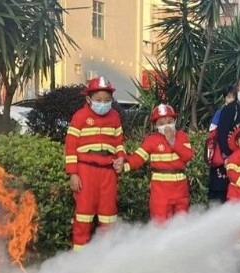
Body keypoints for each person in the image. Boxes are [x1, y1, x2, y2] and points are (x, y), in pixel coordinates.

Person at [64, 76, 125, 251]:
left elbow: (119, 142)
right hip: (86, 170)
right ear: (88, 99)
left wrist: (121, 157)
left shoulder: (114, 116)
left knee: (108, 214)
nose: (103, 103)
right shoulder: (80, 116)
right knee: (84, 213)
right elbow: (71, 146)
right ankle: (79, 255)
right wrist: (73, 173)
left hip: (108, 171)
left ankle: (105, 254)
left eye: (107, 100)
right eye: (99, 100)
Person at [123, 103, 194, 222]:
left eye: (169, 121)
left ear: (175, 121)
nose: (166, 126)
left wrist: (172, 142)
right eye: (161, 123)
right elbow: (138, 158)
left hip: (181, 190)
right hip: (160, 192)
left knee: (181, 225)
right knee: (160, 224)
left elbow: (188, 156)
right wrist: (124, 166)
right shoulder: (151, 140)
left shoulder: (182, 137)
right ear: (155, 125)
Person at [210, 77, 240, 203]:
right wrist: (227, 157)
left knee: (239, 193)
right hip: (229, 159)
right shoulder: (230, 108)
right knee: (224, 194)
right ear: (237, 90)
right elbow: (222, 133)